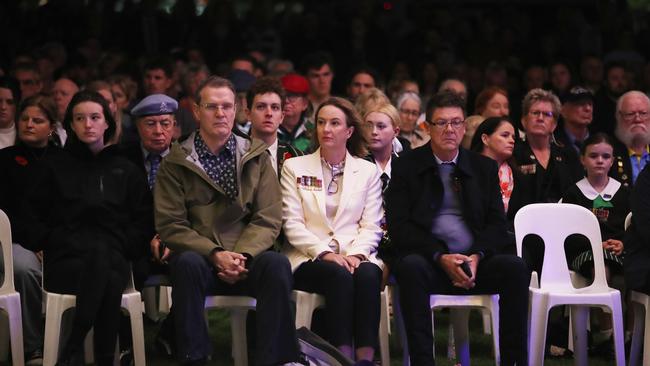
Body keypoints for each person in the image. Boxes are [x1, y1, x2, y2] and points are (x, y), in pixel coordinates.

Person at [154, 76, 299, 366]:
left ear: (237, 111)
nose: (220, 113)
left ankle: (276, 360)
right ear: (196, 111)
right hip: (203, 259)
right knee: (185, 264)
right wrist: (216, 254)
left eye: (226, 106)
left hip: (249, 257)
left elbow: (268, 217)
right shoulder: (175, 162)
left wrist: (242, 255)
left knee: (277, 264)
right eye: (212, 106)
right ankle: (194, 357)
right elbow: (171, 225)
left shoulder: (256, 156)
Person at [385, 91, 529, 366]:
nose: (450, 129)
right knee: (410, 267)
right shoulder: (406, 166)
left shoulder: (483, 167)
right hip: (430, 263)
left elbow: (497, 225)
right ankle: (423, 362)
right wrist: (440, 257)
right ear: (427, 127)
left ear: (464, 127)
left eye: (456, 122)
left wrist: (476, 256)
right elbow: (400, 226)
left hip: (475, 264)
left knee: (515, 268)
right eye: (441, 123)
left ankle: (513, 362)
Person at [15, 90, 153, 366]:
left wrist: (125, 244)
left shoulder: (125, 169)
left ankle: (73, 346)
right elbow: (30, 216)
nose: (88, 124)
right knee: (107, 267)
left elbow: (144, 221)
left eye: (94, 117)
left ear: (107, 124)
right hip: (68, 260)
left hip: (115, 255)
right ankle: (100, 356)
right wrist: (49, 240)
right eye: (80, 118)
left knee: (104, 257)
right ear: (71, 125)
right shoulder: (53, 167)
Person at [281, 97, 383, 364]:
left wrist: (358, 255)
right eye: (321, 122)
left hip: (354, 254)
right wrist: (326, 253)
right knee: (338, 276)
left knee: (371, 273)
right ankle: (341, 357)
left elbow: (372, 225)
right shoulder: (294, 167)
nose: (326, 128)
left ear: (349, 132)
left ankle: (366, 358)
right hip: (308, 256)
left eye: (334, 123)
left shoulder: (368, 171)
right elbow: (292, 224)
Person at [0, 95, 63, 365]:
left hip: (56, 240)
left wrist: (49, 242)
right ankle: (33, 347)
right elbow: (7, 212)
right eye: (24, 119)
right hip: (13, 240)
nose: (28, 124)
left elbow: (68, 209)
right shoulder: (4, 160)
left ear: (51, 127)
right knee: (24, 269)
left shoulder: (65, 160)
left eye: (37, 120)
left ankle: (74, 345)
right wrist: (35, 242)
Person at [563, 133, 629, 352]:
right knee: (601, 266)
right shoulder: (574, 193)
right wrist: (594, 245)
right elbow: (568, 233)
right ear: (583, 159)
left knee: (636, 269)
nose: (599, 160)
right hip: (584, 252)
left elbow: (633, 227)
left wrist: (622, 243)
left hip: (618, 251)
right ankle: (607, 333)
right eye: (593, 156)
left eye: (605, 156)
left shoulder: (623, 193)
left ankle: (628, 333)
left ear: (612, 160)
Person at [513, 88, 583, 204]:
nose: (540, 118)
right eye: (535, 113)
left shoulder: (568, 154)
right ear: (524, 120)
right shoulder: (514, 153)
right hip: (525, 218)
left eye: (547, 114)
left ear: (554, 124)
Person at [470, 117, 530, 235]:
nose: (512, 141)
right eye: (505, 135)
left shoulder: (520, 178)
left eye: (513, 137)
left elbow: (523, 218)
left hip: (507, 240)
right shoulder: (466, 170)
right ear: (485, 139)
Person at [247, 76, 301, 174]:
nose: (269, 113)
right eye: (261, 107)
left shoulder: (297, 158)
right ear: (248, 114)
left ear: (282, 117)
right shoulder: (235, 155)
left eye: (275, 107)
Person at [610, 90, 650, 187]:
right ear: (619, 117)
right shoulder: (609, 152)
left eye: (643, 113)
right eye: (630, 114)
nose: (638, 119)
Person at [555, 86, 595, 162]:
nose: (588, 108)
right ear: (563, 111)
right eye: (580, 104)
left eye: (590, 104)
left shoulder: (600, 141)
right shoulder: (553, 144)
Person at [279, 73, 314, 153]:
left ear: (305, 103)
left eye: (292, 96)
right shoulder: (268, 129)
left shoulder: (315, 132)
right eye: (282, 96)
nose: (286, 101)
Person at [0, 77, 20, 149]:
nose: (3, 107)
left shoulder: (23, 136)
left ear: (17, 104)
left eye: (9, 102)